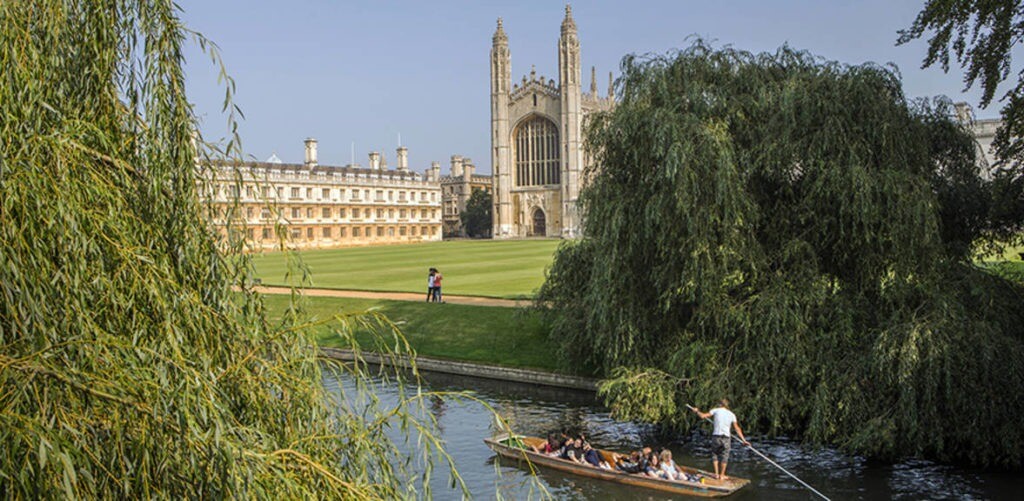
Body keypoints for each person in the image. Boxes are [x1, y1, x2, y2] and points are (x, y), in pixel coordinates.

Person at [691, 398, 749, 480]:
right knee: (724, 456)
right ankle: (722, 475)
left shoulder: (715, 410)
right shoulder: (732, 414)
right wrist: (744, 440)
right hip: (726, 437)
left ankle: (716, 474)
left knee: (715, 454)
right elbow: (737, 428)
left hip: (716, 436)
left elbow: (703, 416)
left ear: (719, 404)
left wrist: (696, 411)